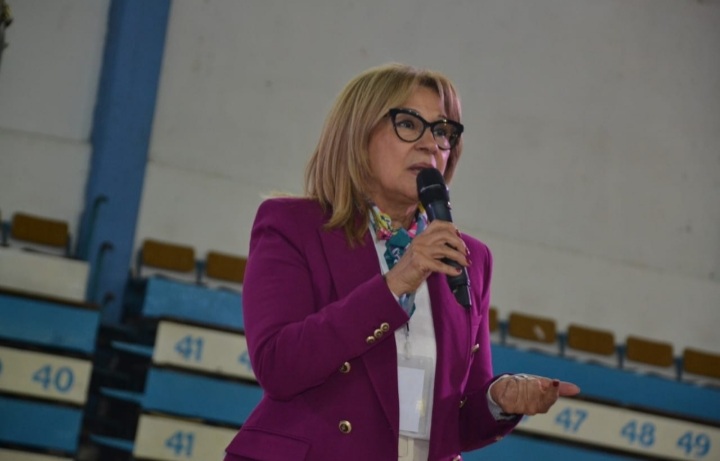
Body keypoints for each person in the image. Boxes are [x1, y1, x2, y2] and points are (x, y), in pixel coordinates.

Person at [223, 63, 580, 461]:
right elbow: (278, 366)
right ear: (357, 135)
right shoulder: (294, 226)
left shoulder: (470, 257)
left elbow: (453, 425)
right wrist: (396, 283)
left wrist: (500, 400)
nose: (431, 144)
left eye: (442, 131)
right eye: (409, 124)